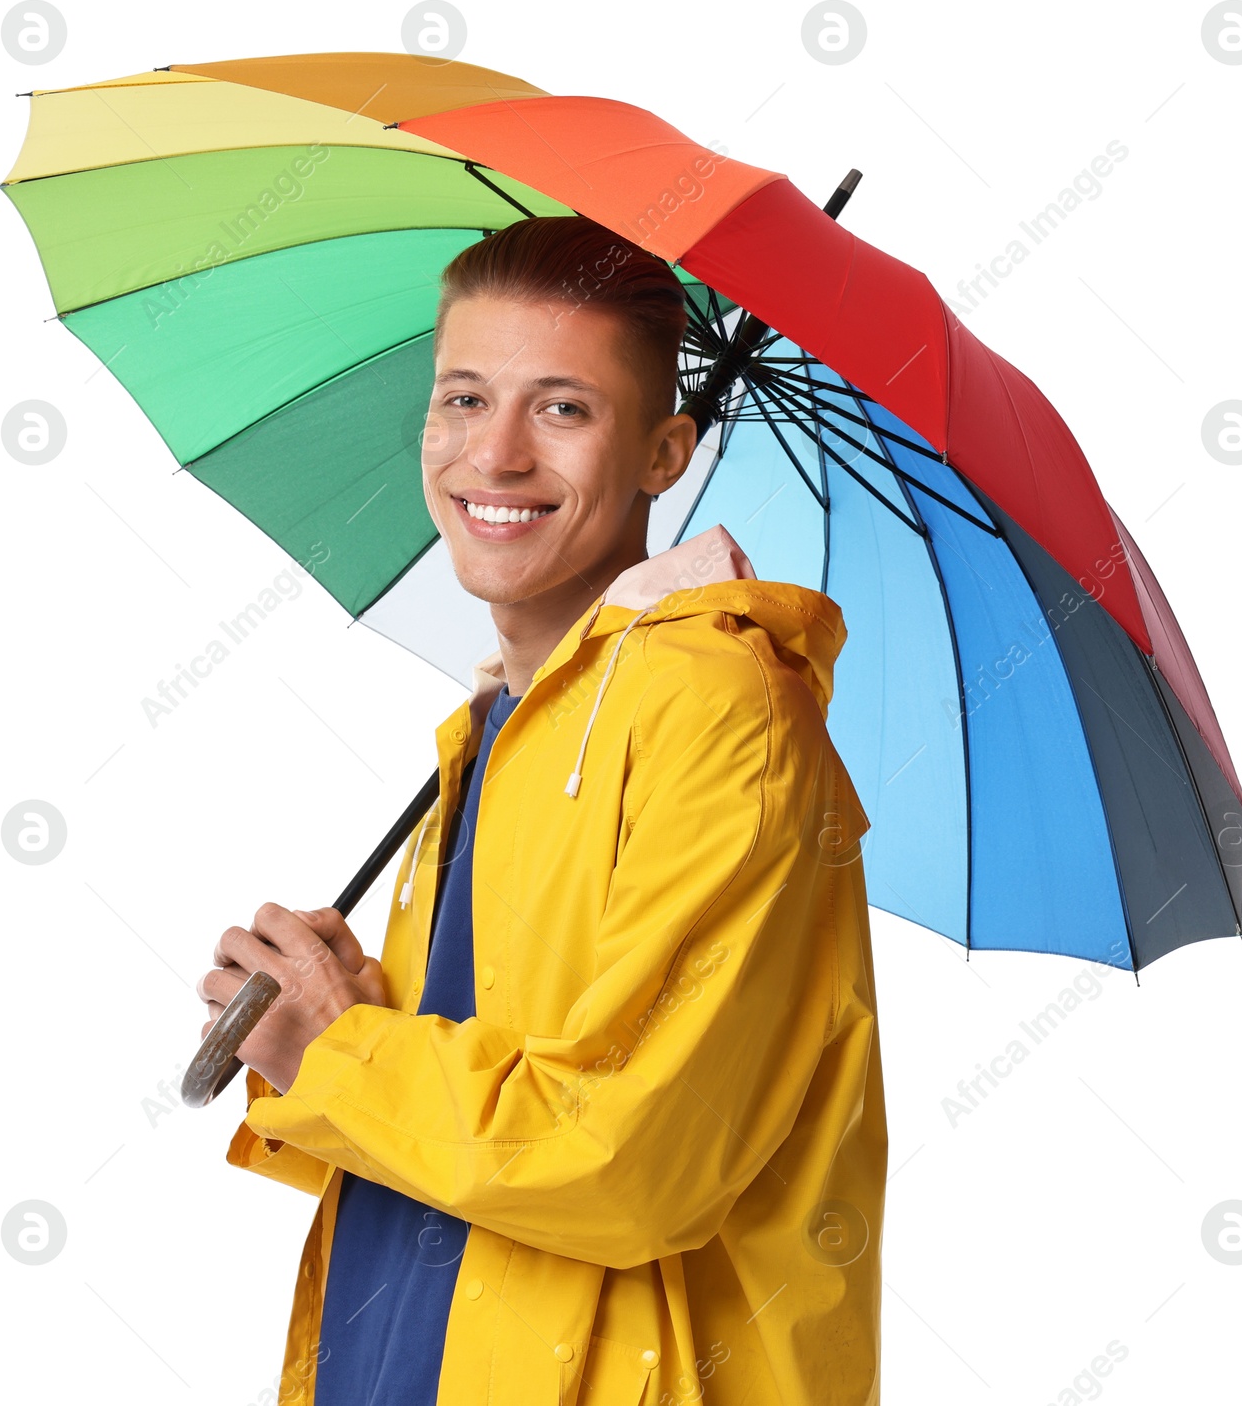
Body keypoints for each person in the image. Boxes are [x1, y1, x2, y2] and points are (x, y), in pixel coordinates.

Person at [198, 215, 886, 1405]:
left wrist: (338, 1048)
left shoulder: (719, 711)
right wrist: (347, 1012)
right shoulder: (494, 728)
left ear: (665, 453)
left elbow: (630, 1160)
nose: (496, 455)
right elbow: (461, 1116)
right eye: (463, 398)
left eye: (563, 409)